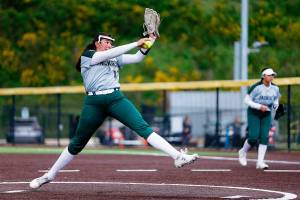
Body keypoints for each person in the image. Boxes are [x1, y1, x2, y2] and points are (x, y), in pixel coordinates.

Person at [29, 32, 199, 189]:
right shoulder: (88, 55)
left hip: (115, 99)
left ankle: (177, 157)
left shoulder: (114, 56)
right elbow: (108, 54)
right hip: (94, 103)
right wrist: (136, 42)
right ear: (97, 43)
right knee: (77, 142)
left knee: (143, 128)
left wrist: (150, 41)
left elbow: (138, 58)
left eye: (111, 43)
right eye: (107, 42)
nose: (110, 45)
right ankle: (49, 175)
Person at [238, 68, 280, 169]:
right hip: (254, 113)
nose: (272, 77)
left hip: (266, 113)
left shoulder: (275, 88)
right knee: (253, 137)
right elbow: (246, 100)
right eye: (269, 75)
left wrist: (276, 107)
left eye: (273, 75)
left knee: (264, 137)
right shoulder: (256, 87)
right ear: (263, 76)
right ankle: (242, 152)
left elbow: (275, 100)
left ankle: (260, 162)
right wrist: (259, 106)